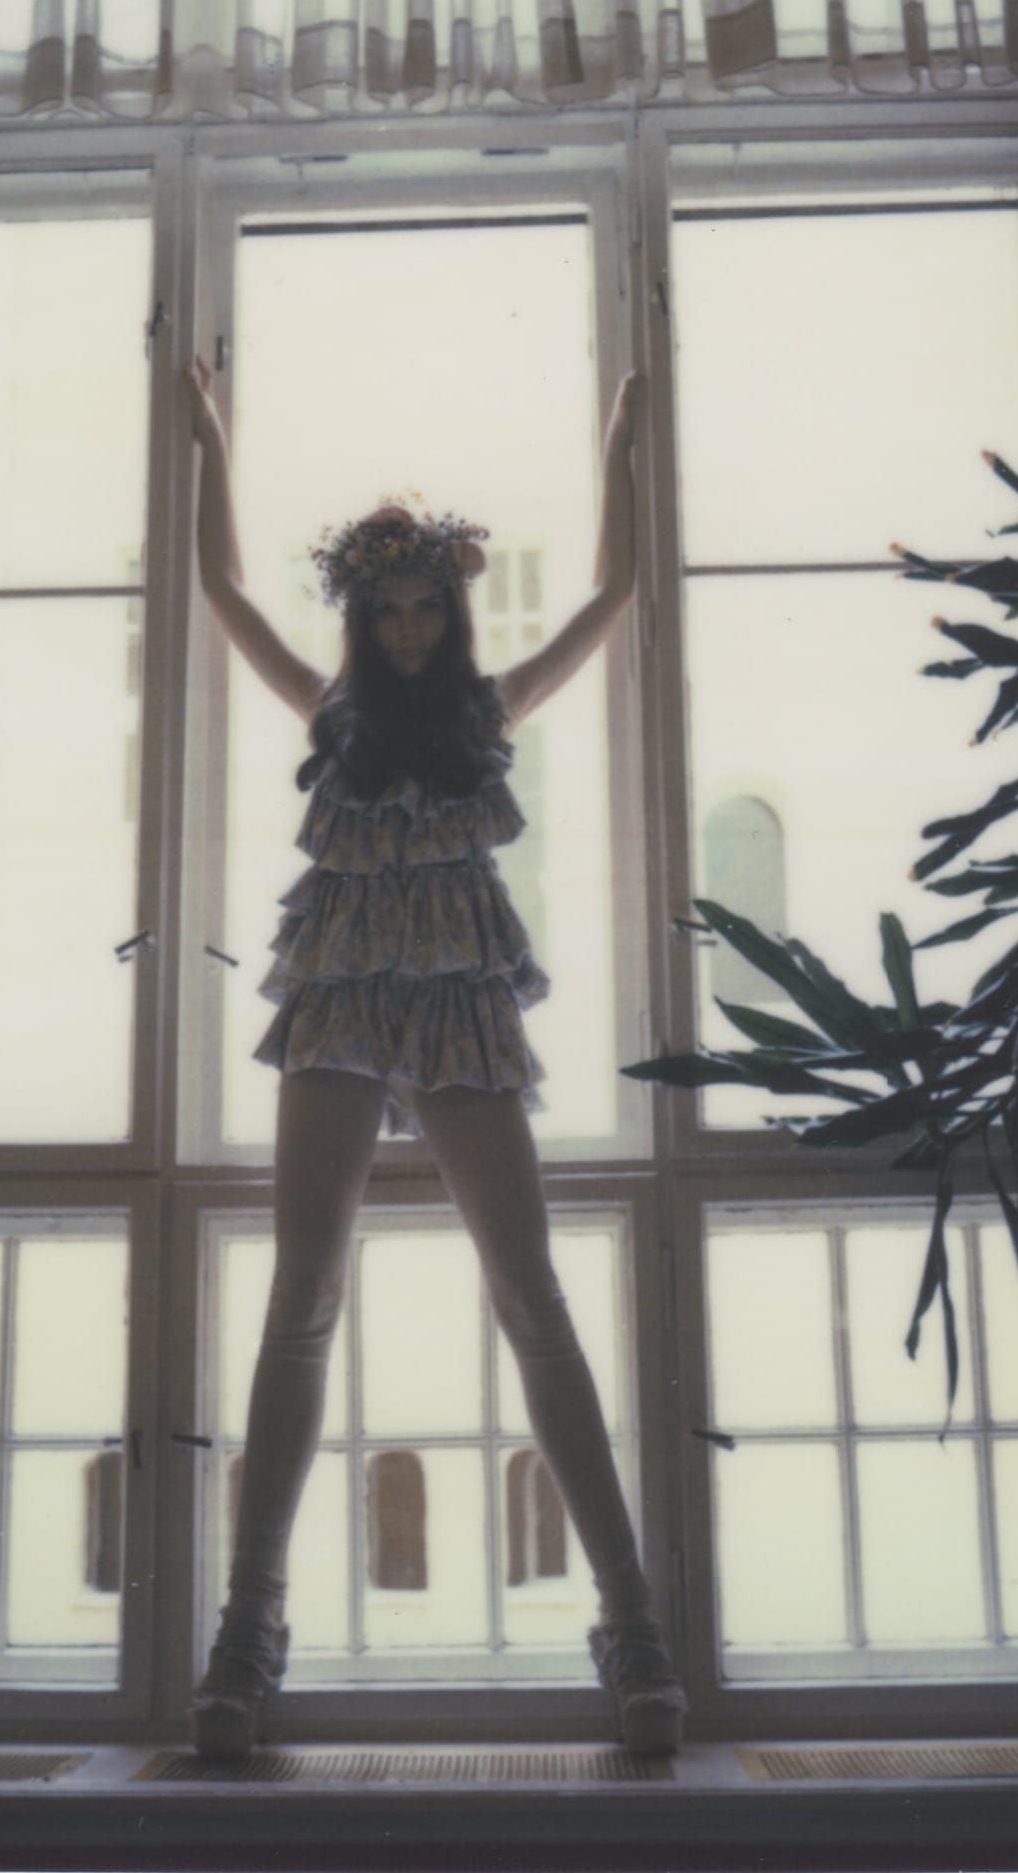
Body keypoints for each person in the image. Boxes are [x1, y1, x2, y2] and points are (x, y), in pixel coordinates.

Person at [183, 354, 686, 1761]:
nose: (406, 628)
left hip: (459, 1003)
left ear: (451, 613)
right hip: (342, 993)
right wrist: (214, 434)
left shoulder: (486, 712)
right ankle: (248, 1632)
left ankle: (632, 1625)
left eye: (423, 607)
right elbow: (223, 594)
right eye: (385, 609)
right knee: (302, 1298)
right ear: (361, 615)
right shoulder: (330, 715)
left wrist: (621, 440)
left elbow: (614, 594)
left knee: (532, 1298)